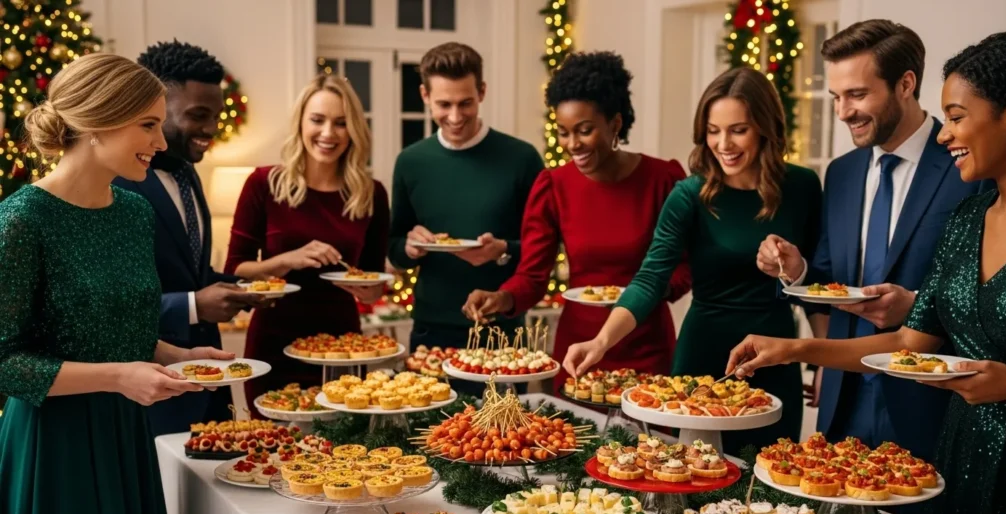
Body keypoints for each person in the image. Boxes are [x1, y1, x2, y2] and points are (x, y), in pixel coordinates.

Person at [727, 31, 1006, 514]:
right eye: (835, 97)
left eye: (956, 118)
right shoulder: (959, 215)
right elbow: (902, 337)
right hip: (913, 427)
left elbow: (948, 324)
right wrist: (794, 340)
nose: (843, 112)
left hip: (953, 427)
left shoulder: (967, 177)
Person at [0, 53, 233, 514]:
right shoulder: (21, 221)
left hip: (126, 430)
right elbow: (6, 364)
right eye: (148, 125)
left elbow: (108, 329)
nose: (161, 141)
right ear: (96, 123)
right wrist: (120, 377)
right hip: (53, 446)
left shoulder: (133, 213)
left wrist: (175, 355)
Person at [754, 20, 988, 461]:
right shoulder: (840, 174)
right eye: (836, 98)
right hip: (842, 401)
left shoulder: (968, 167)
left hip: (929, 401)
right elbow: (829, 281)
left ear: (905, 84)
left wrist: (916, 305)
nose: (843, 112)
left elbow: (986, 297)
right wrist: (797, 268)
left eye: (857, 95)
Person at [564, 67, 821, 454]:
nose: (723, 144)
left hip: (776, 357)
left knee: (772, 481)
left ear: (766, 128)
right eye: (713, 131)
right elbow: (651, 278)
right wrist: (601, 342)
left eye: (738, 130)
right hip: (703, 358)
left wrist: (825, 360)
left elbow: (821, 284)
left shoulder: (802, 187)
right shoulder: (689, 194)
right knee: (690, 479)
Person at [462, 51, 691, 394]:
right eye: (563, 133)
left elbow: (685, 268)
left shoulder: (663, 179)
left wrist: (642, 294)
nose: (572, 144)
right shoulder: (553, 186)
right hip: (578, 352)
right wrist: (502, 297)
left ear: (615, 124)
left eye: (584, 131)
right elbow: (533, 275)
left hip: (647, 348)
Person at [113, 40, 265, 436]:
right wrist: (194, 306)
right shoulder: (117, 184)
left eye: (216, 115)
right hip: (153, 393)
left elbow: (190, 270)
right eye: (198, 115)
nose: (212, 129)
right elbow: (107, 308)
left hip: (209, 384)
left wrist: (244, 287)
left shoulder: (188, 173)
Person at [225, 73, 389, 416]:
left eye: (341, 123)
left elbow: (371, 287)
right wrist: (290, 259)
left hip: (342, 350)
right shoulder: (263, 184)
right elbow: (236, 270)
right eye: (318, 120)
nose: (328, 133)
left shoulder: (371, 194)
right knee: (270, 457)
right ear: (301, 122)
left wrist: (372, 286)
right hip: (273, 342)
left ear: (354, 130)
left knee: (340, 457)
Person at [388, 42, 545, 384]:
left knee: (500, 435)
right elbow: (395, 246)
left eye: (466, 103)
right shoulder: (411, 162)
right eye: (444, 104)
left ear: (482, 92)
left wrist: (502, 250)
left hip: (501, 330)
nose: (455, 117)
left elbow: (543, 248)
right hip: (431, 329)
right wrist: (410, 248)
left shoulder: (521, 159)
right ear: (424, 95)